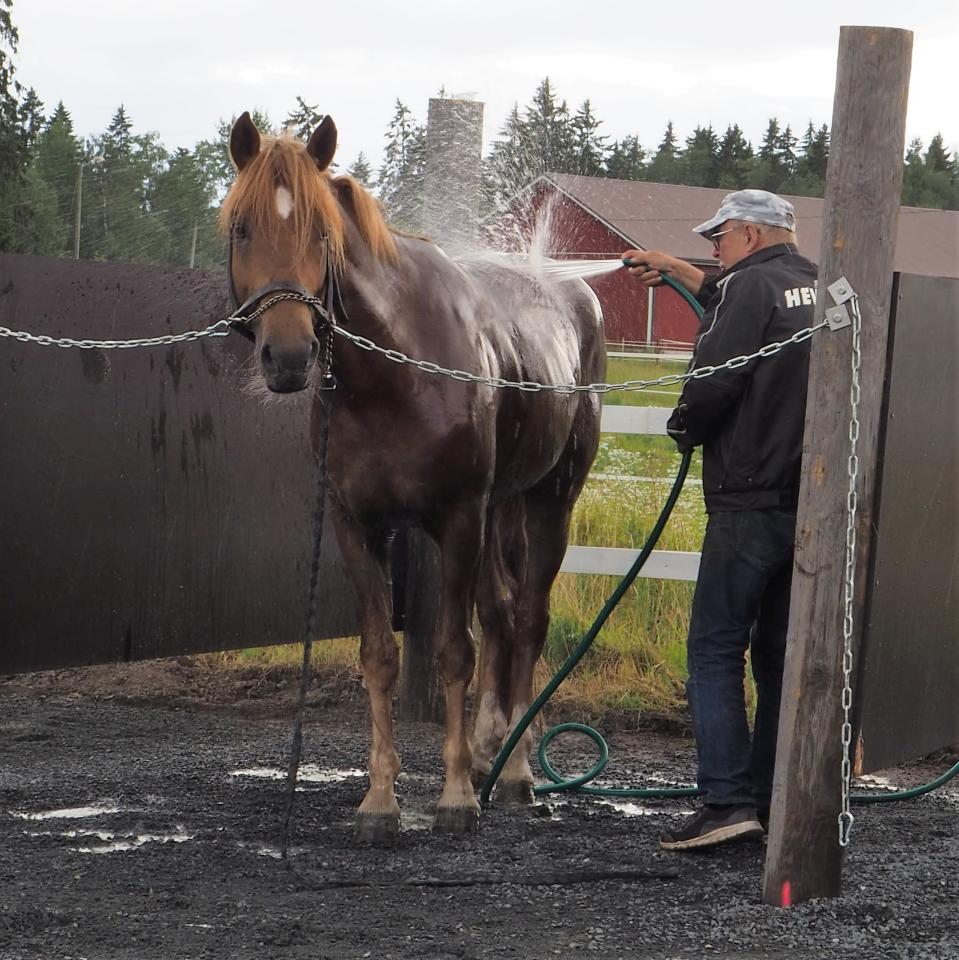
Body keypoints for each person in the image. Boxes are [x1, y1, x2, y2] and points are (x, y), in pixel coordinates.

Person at [622, 189, 818, 851]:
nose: (711, 250)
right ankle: (766, 798)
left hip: (744, 502)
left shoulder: (742, 289)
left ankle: (724, 803)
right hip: (808, 506)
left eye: (718, 238)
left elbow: (714, 377)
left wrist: (683, 426)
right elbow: (756, 312)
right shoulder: (816, 287)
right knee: (774, 656)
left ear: (750, 235)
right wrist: (678, 271)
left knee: (712, 651)